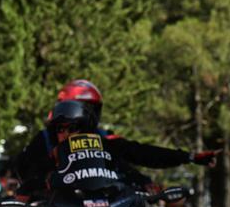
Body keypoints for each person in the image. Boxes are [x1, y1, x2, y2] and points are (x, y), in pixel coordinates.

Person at [14, 79, 218, 198]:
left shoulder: (104, 138)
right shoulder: (46, 140)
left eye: (91, 110)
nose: (86, 116)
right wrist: (37, 187)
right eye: (84, 109)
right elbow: (25, 172)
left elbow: (140, 154)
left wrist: (187, 158)